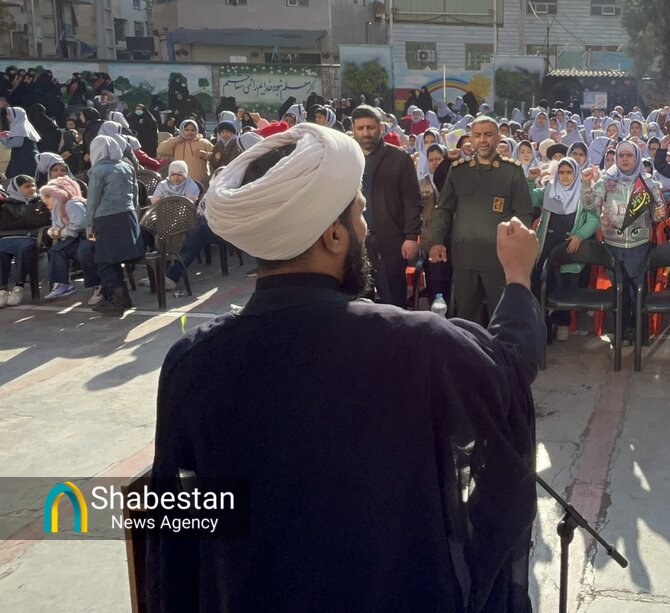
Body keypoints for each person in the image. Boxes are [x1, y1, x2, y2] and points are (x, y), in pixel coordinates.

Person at [146, 124, 543, 612]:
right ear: (333, 237)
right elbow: (508, 371)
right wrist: (519, 278)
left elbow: (178, 525)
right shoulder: (414, 345)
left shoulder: (192, 365)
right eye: (359, 214)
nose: (366, 228)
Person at [428, 116, 533, 322]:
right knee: (466, 314)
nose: (482, 140)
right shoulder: (458, 170)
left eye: (487, 135)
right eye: (477, 135)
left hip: (498, 257)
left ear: (498, 137)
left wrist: (514, 244)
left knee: (501, 314)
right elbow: (443, 209)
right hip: (465, 255)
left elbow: (524, 213)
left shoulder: (512, 171)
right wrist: (436, 242)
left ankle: (499, 354)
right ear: (471, 139)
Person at [350, 105, 424, 309]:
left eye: (371, 127)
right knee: (357, 305)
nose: (366, 133)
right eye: (361, 128)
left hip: (390, 242)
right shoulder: (347, 159)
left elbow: (412, 201)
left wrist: (411, 237)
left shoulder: (399, 159)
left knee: (393, 303)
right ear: (353, 129)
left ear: (380, 128)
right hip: (356, 244)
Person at [598, 140, 666, 346]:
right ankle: (619, 332)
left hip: (639, 245)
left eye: (629, 155)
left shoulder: (647, 182)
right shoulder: (607, 179)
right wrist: (586, 185)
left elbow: (657, 213)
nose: (625, 159)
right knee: (617, 291)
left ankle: (638, 333)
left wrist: (660, 212)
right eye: (621, 156)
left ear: (637, 157)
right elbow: (590, 203)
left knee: (637, 291)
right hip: (612, 245)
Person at [531, 158, 601, 342]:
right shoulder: (549, 190)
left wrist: (579, 235)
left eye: (569, 172)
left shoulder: (584, 192)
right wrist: (530, 180)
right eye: (561, 172)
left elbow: (594, 219)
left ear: (576, 173)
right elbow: (528, 197)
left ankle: (562, 323)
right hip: (548, 243)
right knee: (542, 284)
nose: (564, 176)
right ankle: (543, 326)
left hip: (570, 246)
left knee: (567, 284)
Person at [84, 136, 143, 313]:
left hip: (106, 219)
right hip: (128, 215)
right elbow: (136, 194)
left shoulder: (98, 170)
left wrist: (89, 226)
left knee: (104, 260)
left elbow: (92, 201)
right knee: (114, 259)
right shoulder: (126, 166)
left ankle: (117, 302)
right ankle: (123, 299)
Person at [0, 175, 50, 305]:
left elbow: (43, 220)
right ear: (17, 188)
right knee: (1, 249)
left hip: (33, 237)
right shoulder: (8, 204)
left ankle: (19, 287)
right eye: (26, 186)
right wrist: (29, 219)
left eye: (33, 185)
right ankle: (2, 290)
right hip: (11, 236)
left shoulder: (41, 201)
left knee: (25, 248)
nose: (32, 189)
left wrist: (22, 221)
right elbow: (6, 225)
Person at [40, 176, 88, 299]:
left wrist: (62, 233)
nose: (46, 200)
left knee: (57, 251)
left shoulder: (72, 204)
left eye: (49, 196)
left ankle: (63, 285)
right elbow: (58, 226)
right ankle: (61, 283)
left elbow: (80, 224)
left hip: (84, 237)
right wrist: (54, 231)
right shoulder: (58, 207)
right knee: (55, 251)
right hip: (74, 237)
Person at [157, 119, 214, 185]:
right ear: (181, 130)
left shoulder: (203, 142)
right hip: (180, 180)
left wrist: (204, 154)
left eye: (193, 130)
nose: (190, 132)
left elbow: (215, 155)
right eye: (187, 130)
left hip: (200, 180)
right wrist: (176, 140)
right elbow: (160, 150)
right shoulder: (176, 143)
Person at [2, 106, 40, 179]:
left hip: (24, 159)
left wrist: (3, 138)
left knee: (22, 180)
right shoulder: (21, 125)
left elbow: (16, 143)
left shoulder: (20, 127)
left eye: (9, 114)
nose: (7, 117)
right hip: (25, 157)